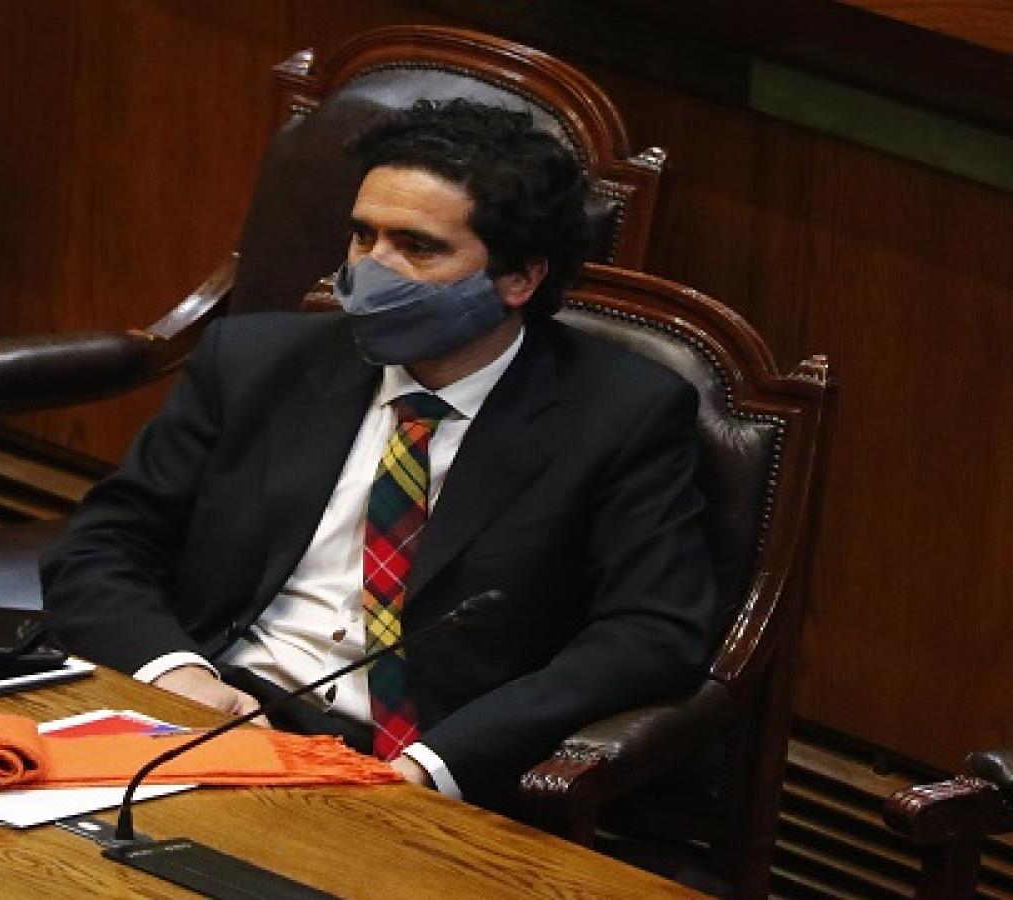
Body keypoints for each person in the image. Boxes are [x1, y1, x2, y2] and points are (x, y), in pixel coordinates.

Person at [40, 99, 719, 809]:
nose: (371, 270)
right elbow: (106, 542)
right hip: (213, 710)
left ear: (519, 278)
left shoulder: (619, 415)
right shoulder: (253, 362)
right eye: (364, 236)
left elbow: (652, 632)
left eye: (417, 247)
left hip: (407, 763)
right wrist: (177, 675)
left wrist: (438, 764)